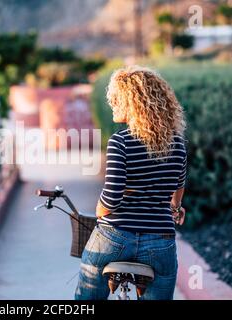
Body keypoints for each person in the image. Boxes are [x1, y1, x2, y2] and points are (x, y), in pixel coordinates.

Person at [75, 65, 187, 300]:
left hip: (115, 237)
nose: (112, 104)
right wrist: (175, 207)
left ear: (133, 103)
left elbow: (111, 198)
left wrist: (99, 210)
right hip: (160, 241)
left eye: (117, 99)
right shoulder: (177, 144)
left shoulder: (120, 142)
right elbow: (178, 185)